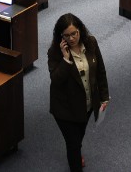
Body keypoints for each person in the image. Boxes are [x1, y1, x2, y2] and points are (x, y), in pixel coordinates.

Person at [48, 13, 109, 172]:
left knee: (78, 137)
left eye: (74, 33)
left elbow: (100, 71)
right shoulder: (55, 52)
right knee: (73, 144)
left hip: (87, 104)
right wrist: (66, 60)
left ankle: (76, 151)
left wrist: (104, 97)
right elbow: (56, 80)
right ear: (61, 36)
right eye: (66, 35)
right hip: (65, 109)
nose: (71, 38)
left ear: (80, 30)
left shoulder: (91, 43)